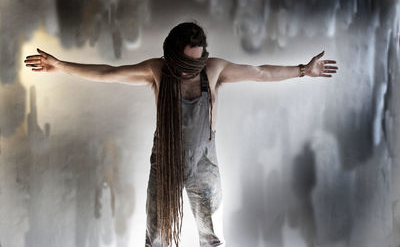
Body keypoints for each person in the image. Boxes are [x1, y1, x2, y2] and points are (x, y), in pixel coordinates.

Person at [24, 21, 338, 247]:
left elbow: (260, 72)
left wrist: (302, 70)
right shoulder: (156, 70)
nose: (191, 68)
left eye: (197, 59)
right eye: (185, 61)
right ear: (172, 54)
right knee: (157, 237)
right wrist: (61, 65)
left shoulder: (213, 70)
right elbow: (108, 72)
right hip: (165, 164)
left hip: (204, 167)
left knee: (208, 236)